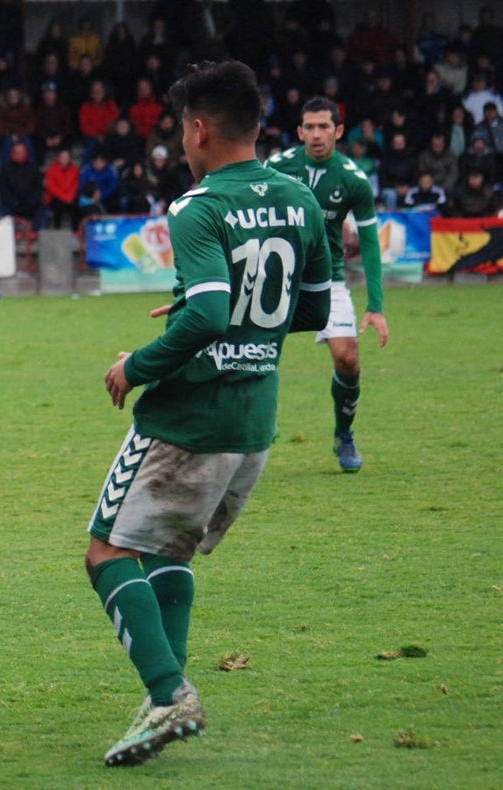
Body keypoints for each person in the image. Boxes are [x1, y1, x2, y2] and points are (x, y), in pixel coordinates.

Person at [87, 59, 331, 768]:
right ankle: (163, 701)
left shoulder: (198, 205)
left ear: (198, 130)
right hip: (253, 423)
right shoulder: (300, 201)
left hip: (186, 420)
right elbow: (310, 308)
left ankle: (169, 693)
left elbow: (213, 314)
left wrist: (138, 364)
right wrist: (216, 314)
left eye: (180, 130)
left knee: (106, 551)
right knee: (170, 549)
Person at [268, 96, 390, 471]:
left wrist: (376, 305)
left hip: (328, 278)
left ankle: (344, 435)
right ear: (299, 131)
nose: (317, 135)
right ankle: (258, 428)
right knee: (255, 354)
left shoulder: (353, 179)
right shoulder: (277, 168)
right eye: (310, 127)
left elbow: (369, 241)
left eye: (324, 127)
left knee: (348, 358)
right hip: (281, 277)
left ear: (338, 131)